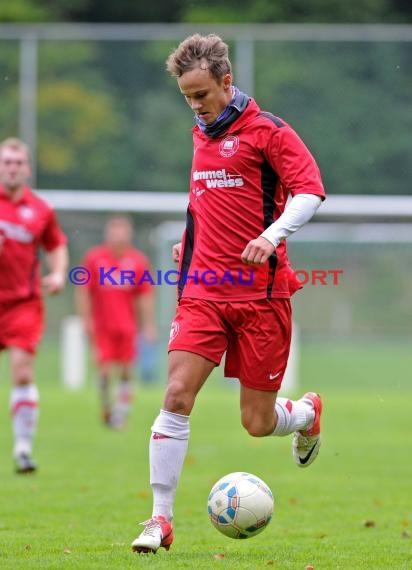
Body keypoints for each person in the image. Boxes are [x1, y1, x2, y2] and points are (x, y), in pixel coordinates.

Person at [132, 34, 326, 553]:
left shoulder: (270, 132)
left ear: (226, 82)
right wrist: (189, 243)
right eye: (186, 97)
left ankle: (306, 414)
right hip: (202, 292)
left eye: (201, 95)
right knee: (176, 395)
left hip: (261, 296)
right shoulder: (202, 134)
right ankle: (159, 519)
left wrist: (270, 236)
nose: (194, 107)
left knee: (257, 424)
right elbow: (207, 200)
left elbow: (310, 192)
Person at [0, 137, 68, 474]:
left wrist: (57, 274)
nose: (12, 168)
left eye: (17, 163)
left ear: (27, 168)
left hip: (22, 304)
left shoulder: (41, 209)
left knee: (22, 371)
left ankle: (23, 449)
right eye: (6, 162)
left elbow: (56, 245)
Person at [76, 215, 157, 430]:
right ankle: (106, 408)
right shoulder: (94, 258)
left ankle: (121, 413)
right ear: (108, 233)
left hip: (128, 326)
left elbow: (144, 295)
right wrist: (85, 320)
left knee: (126, 370)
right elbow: (83, 291)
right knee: (103, 370)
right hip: (102, 326)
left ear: (129, 233)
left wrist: (148, 325)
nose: (119, 235)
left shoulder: (138, 261)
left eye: (123, 230)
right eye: (115, 230)